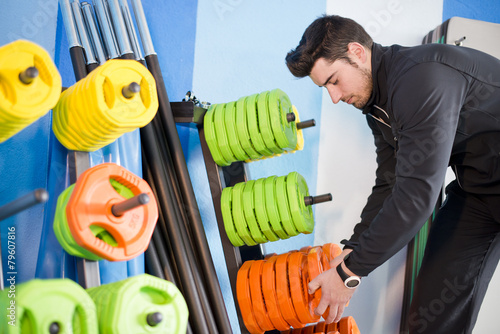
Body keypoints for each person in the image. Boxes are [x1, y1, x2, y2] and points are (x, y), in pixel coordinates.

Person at [285, 14, 500, 333]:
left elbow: (416, 198)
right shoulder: (376, 107)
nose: (334, 96)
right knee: (431, 308)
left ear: (357, 52)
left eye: (333, 80)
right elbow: (390, 184)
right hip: (479, 192)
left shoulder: (421, 79)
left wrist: (349, 273)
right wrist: (352, 249)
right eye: (325, 88)